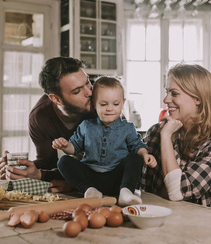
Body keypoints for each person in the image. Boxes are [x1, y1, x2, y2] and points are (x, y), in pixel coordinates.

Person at [140, 63, 211, 210]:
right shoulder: (154, 132)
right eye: (167, 92)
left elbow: (177, 192)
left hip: (208, 224)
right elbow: (140, 185)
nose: (166, 100)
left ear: (197, 98)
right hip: (161, 217)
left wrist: (166, 137)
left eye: (174, 93)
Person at [0, 57, 95, 193]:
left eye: (88, 83)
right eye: (77, 91)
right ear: (56, 99)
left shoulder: (102, 104)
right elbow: (47, 162)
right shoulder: (40, 117)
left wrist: (73, 183)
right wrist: (19, 168)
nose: (89, 93)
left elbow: (113, 165)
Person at [52, 76, 157, 206]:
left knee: (135, 157)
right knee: (63, 161)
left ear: (123, 103)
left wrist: (145, 154)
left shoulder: (127, 127)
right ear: (94, 103)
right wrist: (65, 145)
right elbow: (74, 148)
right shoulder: (86, 126)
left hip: (116, 179)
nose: (110, 108)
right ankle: (90, 191)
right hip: (91, 177)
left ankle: (126, 192)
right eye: (103, 104)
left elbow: (138, 145)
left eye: (116, 104)